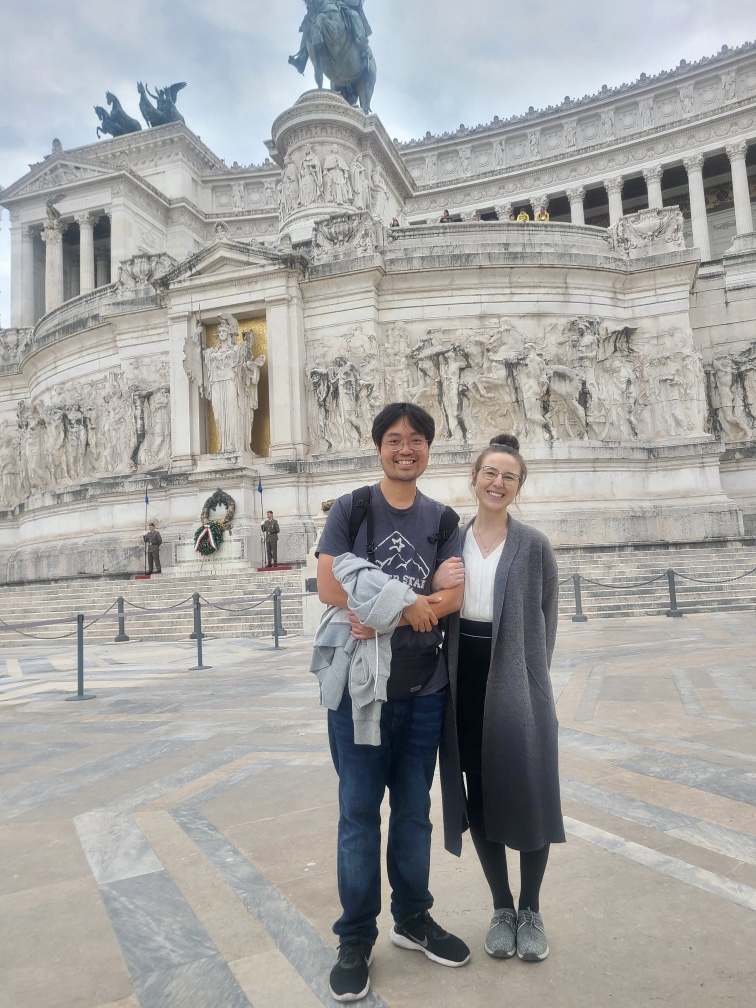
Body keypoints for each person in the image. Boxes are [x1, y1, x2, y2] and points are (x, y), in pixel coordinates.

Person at [314, 402, 469, 1002]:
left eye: (417, 440)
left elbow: (453, 599)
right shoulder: (352, 509)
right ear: (378, 447)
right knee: (357, 816)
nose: (406, 450)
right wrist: (413, 601)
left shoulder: (444, 519)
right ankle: (355, 937)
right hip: (360, 692)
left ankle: (412, 918)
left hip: (424, 689)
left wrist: (392, 610)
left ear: (429, 448)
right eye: (395, 440)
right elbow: (329, 586)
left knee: (412, 813)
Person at [434, 434, 564, 963]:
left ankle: (530, 909)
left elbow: (547, 618)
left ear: (518, 486)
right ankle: (501, 907)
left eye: (509, 476)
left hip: (516, 678)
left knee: (530, 789)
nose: (498, 483)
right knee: (479, 794)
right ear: (474, 477)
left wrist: (531, 678)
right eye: (490, 472)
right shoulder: (451, 540)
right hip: (464, 674)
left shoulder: (533, 545)